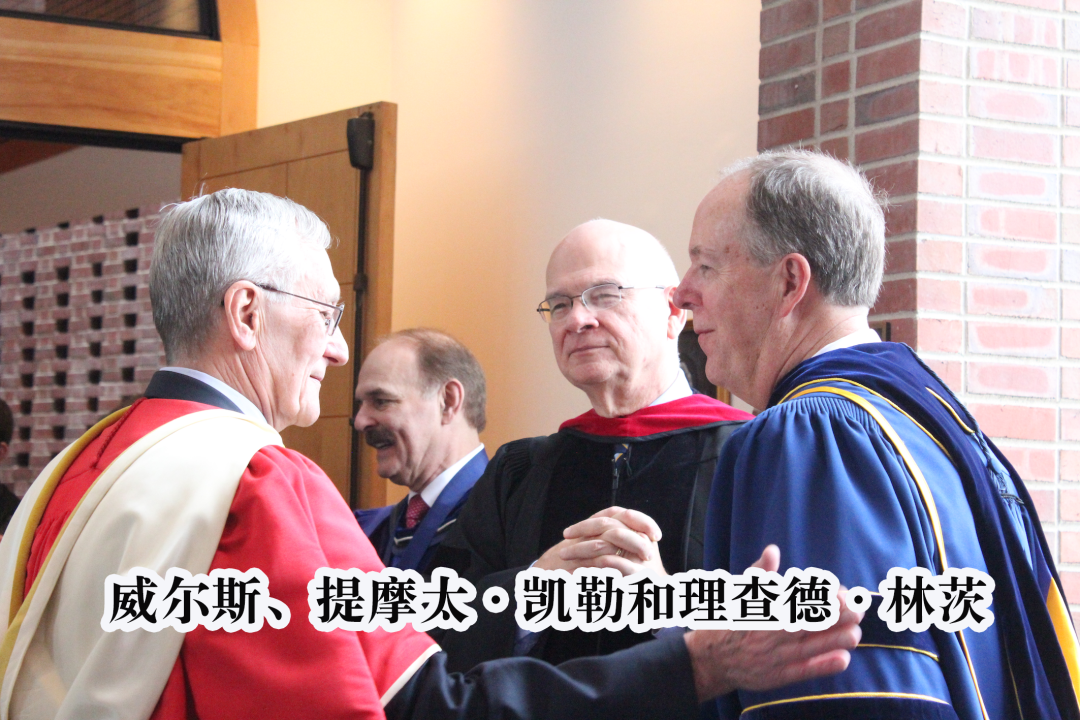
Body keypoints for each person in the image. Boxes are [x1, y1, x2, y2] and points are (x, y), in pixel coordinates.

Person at [0, 188, 863, 720]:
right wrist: (669, 648)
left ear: (672, 311)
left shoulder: (79, 466)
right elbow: (417, 694)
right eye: (327, 315)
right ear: (248, 315)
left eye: (604, 295)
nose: (339, 350)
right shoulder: (259, 478)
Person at [674, 149, 1080, 719]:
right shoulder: (921, 412)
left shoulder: (812, 437)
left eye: (706, 267)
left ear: (790, 281)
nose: (681, 294)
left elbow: (842, 700)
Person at [445, 219, 754, 671]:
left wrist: (672, 606)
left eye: (605, 295)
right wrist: (530, 591)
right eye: (560, 304)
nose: (577, 319)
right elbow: (441, 624)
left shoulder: (750, 455)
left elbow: (796, 629)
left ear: (673, 312)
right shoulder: (519, 471)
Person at [354, 328, 488, 580]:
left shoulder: (507, 522)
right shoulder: (370, 531)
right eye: (360, 404)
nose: (360, 422)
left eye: (381, 401)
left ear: (448, 401)